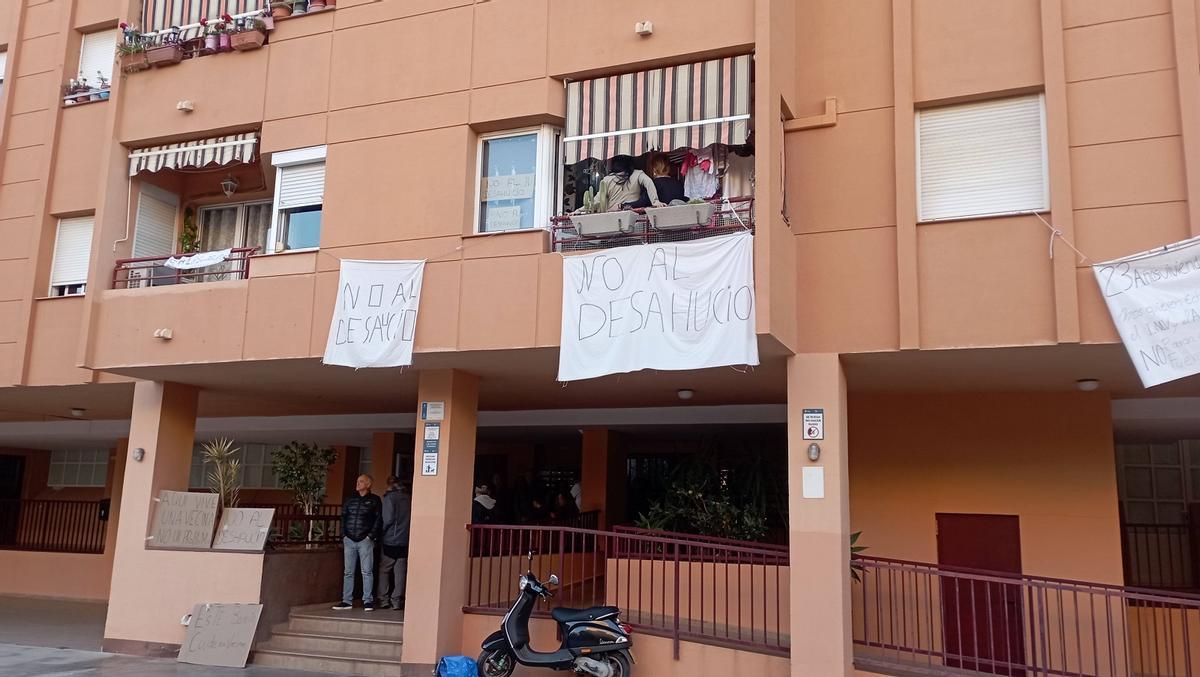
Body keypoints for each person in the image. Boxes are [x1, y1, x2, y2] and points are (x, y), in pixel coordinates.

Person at [333, 474, 383, 611]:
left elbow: (378, 519)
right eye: (357, 481)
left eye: (361, 482)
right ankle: (346, 601)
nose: (357, 484)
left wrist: (370, 536)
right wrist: (343, 535)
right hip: (349, 539)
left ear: (368, 484)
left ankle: (368, 601)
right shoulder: (350, 499)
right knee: (348, 572)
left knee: (367, 571)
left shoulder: (374, 500)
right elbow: (343, 517)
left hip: (365, 541)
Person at [376, 476, 411, 611]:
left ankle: (384, 599)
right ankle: (397, 600)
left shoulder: (389, 498)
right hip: (405, 539)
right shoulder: (408, 498)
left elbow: (388, 518)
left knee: (384, 570)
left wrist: (381, 532)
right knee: (400, 572)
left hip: (390, 540)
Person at [596, 155, 665, 211]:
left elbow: (598, 199)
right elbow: (649, 182)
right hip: (633, 214)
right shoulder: (637, 174)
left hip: (613, 215)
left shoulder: (607, 179)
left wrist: (587, 208)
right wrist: (655, 201)